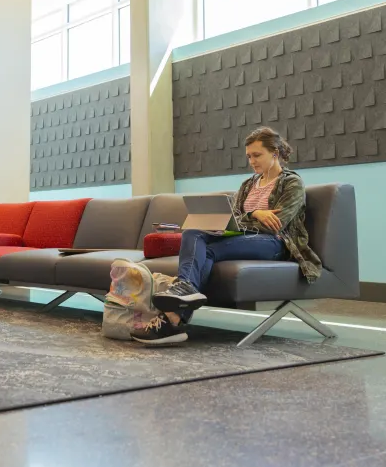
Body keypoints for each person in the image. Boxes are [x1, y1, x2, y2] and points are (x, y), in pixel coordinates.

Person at [131, 127, 323, 346]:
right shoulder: (248, 184)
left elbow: (277, 224)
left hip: (274, 243)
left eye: (257, 155)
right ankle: (181, 300)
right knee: (193, 233)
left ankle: (174, 315)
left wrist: (250, 213)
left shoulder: (291, 183)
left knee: (208, 250)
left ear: (275, 153)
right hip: (243, 238)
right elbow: (236, 216)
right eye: (249, 156)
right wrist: (252, 215)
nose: (252, 161)